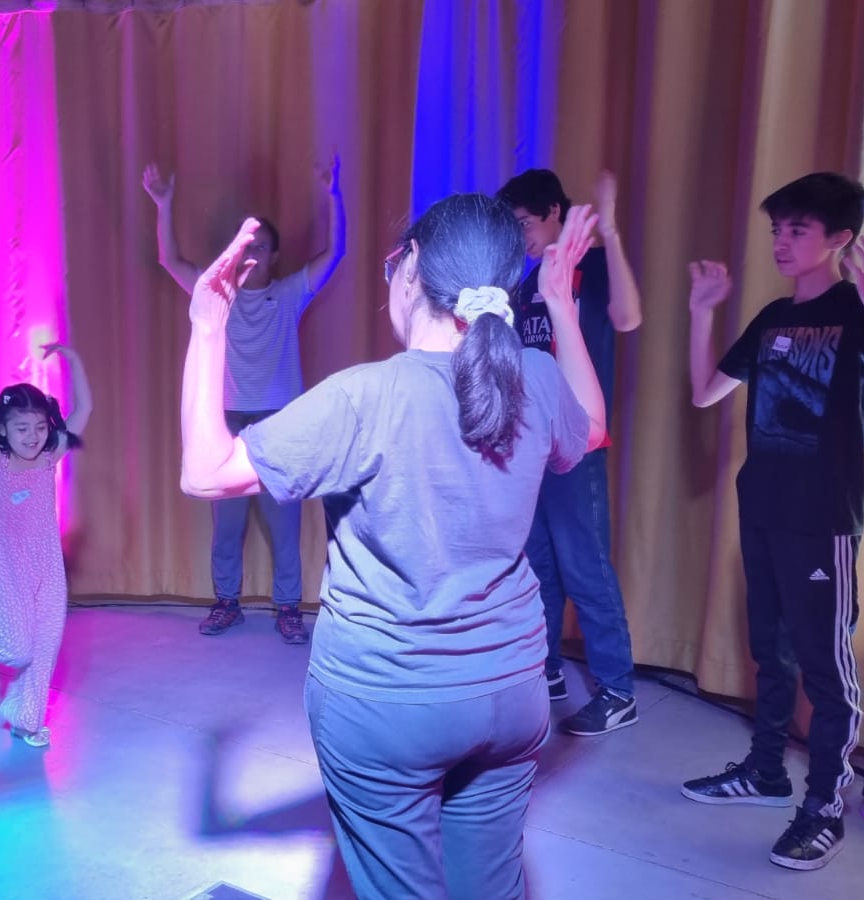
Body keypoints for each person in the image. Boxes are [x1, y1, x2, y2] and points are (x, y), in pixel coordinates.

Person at [180, 196, 608, 899]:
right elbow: (591, 427)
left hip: (387, 701)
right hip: (511, 693)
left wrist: (208, 325)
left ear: (411, 270)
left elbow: (206, 472)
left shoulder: (365, 396)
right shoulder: (534, 376)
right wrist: (561, 306)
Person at [682, 172, 864, 871]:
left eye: (798, 229)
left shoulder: (861, 312)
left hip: (822, 519)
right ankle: (765, 771)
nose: (781, 241)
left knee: (825, 667)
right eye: (777, 229)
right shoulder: (771, 317)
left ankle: (824, 808)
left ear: (840, 238)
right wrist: (702, 312)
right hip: (761, 506)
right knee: (771, 650)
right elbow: (705, 393)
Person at [143, 156, 346, 643]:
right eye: (246, 245)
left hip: (280, 421)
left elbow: (335, 253)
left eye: (261, 246)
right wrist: (163, 205)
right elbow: (170, 261)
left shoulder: (291, 292)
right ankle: (227, 603)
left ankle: (288, 608)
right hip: (228, 422)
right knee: (226, 525)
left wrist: (333, 195)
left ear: (274, 256)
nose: (252, 252)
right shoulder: (216, 293)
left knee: (285, 525)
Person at [496, 168, 644, 735]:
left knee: (586, 568)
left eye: (525, 223)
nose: (521, 236)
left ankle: (617, 689)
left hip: (579, 443)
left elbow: (628, 318)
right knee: (537, 566)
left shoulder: (594, 267)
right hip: (531, 446)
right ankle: (546, 669)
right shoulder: (524, 283)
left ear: (555, 212)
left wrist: (612, 231)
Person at [0, 343, 92, 748]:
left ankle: (27, 720)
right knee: (15, 652)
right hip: (5, 563)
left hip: (47, 562)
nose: (32, 437)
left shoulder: (49, 457)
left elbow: (84, 409)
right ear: (3, 430)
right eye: (22, 428)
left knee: (44, 648)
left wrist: (73, 360)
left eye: (39, 427)